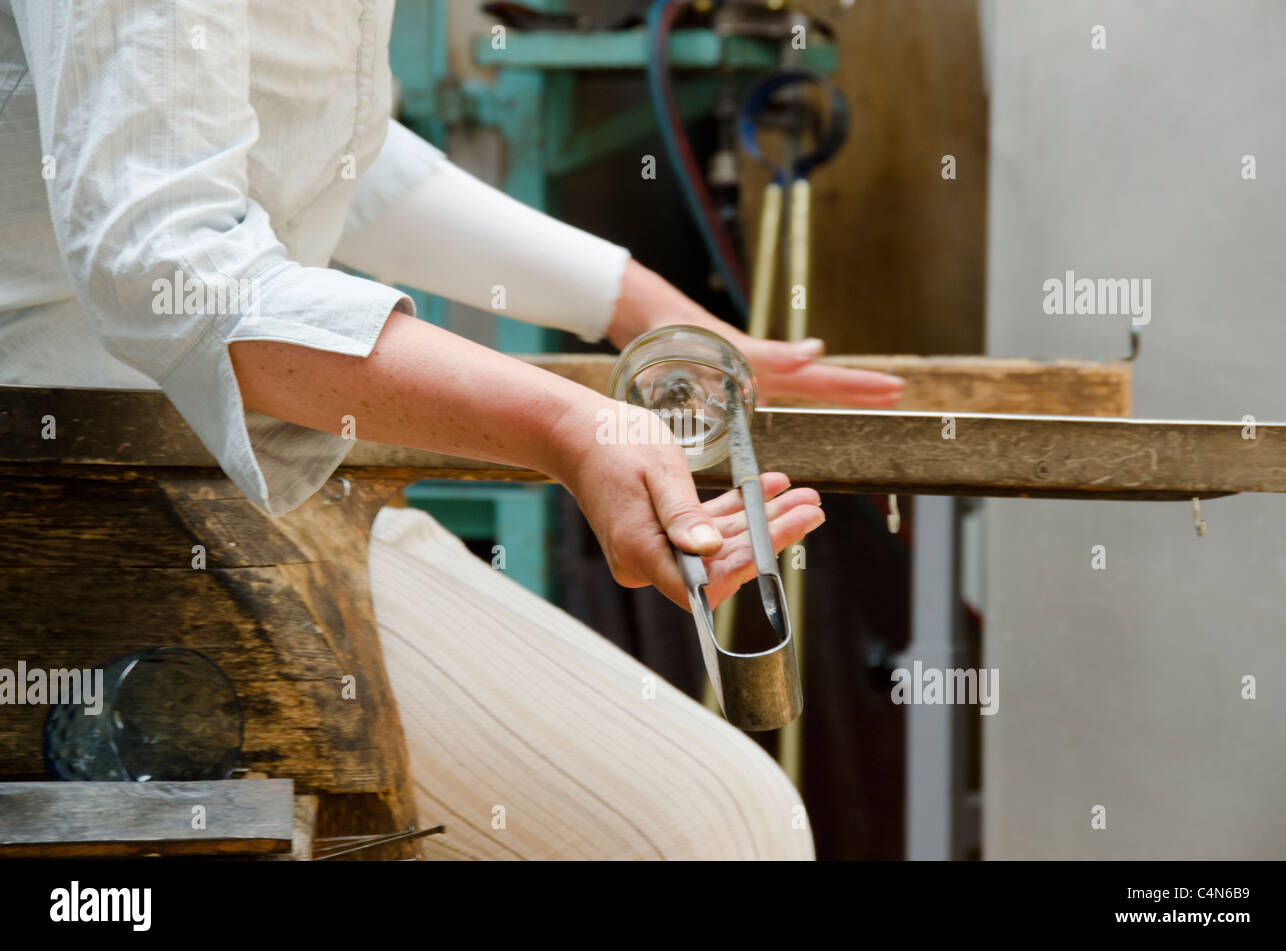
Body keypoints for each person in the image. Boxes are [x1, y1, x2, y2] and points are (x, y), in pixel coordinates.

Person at [0, 0, 903, 859]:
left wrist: (641, 308)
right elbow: (166, 268)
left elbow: (329, 151)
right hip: (79, 499)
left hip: (230, 483)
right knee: (716, 831)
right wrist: (564, 425)